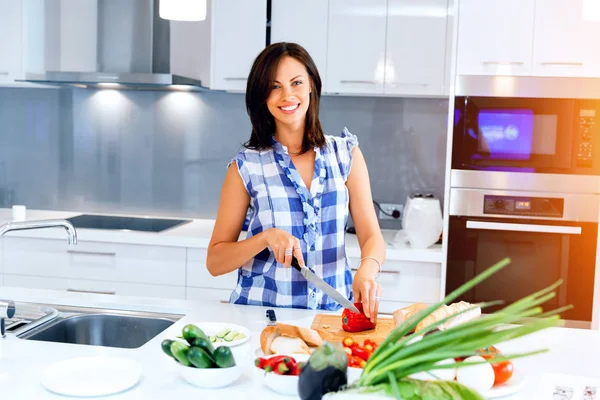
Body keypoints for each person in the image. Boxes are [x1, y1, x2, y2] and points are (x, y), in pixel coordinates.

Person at [206, 42, 386, 322]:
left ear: (312, 85)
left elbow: (372, 237)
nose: (287, 95)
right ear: (262, 97)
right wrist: (264, 238)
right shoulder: (246, 167)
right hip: (262, 319)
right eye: (274, 86)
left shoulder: (346, 155)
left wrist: (367, 270)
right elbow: (215, 262)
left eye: (296, 82)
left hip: (333, 315)